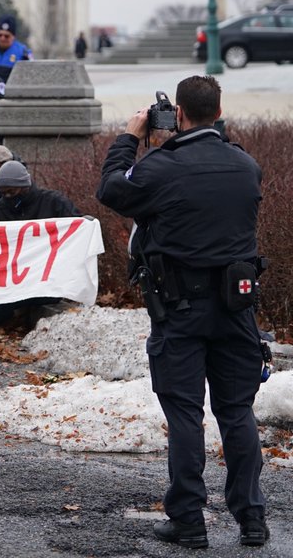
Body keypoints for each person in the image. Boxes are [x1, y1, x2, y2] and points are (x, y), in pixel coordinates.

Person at [97, 75, 268, 549]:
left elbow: (111, 190)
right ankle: (252, 519)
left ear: (178, 114)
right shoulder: (246, 165)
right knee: (237, 412)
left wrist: (131, 138)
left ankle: (189, 520)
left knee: (186, 415)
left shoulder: (161, 167)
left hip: (180, 309)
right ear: (219, 112)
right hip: (237, 307)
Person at [0, 161, 79, 334]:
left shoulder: (53, 201)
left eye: (12, 192)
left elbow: (76, 229)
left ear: (25, 187)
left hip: (45, 277)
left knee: (2, 302)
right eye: (3, 193)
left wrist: (85, 223)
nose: (8, 196)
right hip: (11, 273)